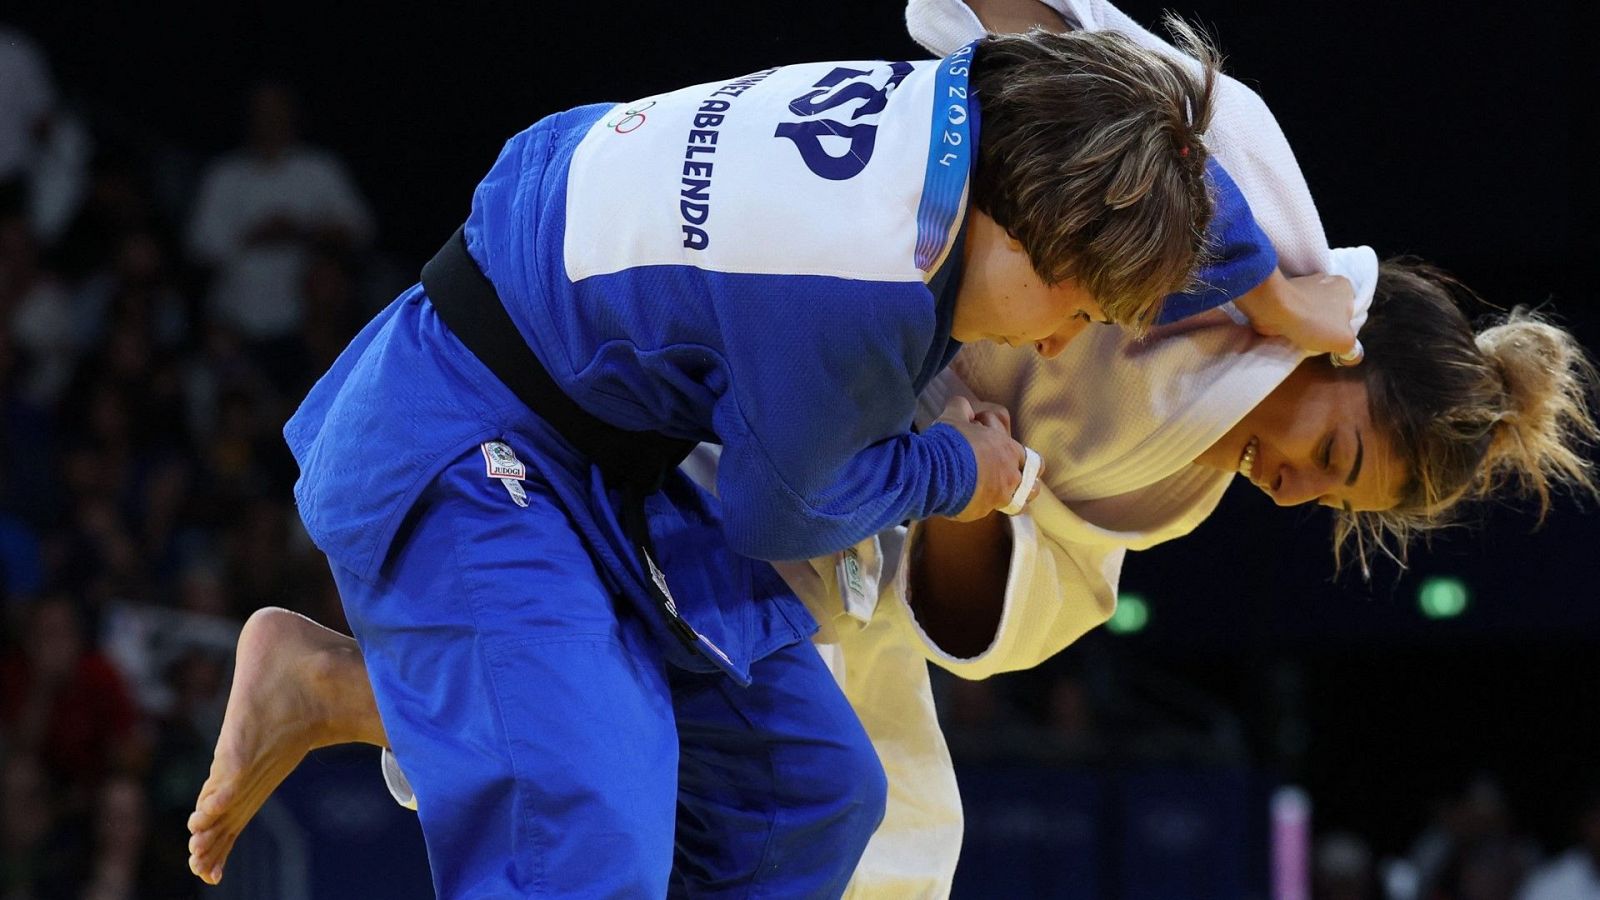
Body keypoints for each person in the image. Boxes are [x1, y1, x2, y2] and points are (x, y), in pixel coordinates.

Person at [190, 29, 1261, 897]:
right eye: (1074, 306)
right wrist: (954, 471)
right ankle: (344, 683)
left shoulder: (972, 106)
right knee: (586, 824)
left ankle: (334, 686)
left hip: (599, 453)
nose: (1060, 342)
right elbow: (782, 517)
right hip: (468, 440)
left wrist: (1295, 290)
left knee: (807, 793)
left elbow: (1148, 129)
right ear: (1030, 239)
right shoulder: (865, 284)